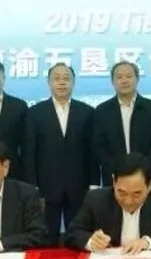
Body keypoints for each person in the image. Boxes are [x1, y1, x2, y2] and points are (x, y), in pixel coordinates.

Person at [24, 63, 99, 245]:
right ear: (49, 82)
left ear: (74, 82)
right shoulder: (35, 113)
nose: (62, 83)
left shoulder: (87, 112)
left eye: (66, 78)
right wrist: (33, 186)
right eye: (56, 78)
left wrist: (94, 183)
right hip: (46, 187)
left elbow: (93, 151)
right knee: (46, 239)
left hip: (79, 186)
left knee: (79, 238)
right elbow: (29, 152)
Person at [65, 153, 151, 253]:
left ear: (149, 185)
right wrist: (91, 241)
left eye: (136, 194)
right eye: (122, 193)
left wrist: (147, 242)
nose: (128, 201)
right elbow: (72, 233)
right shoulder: (95, 199)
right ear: (114, 182)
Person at [93, 61, 151, 188]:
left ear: (137, 79)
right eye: (119, 77)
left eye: (128, 76)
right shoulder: (102, 110)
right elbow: (99, 146)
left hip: (145, 176)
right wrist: (115, 169)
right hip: (114, 178)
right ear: (112, 81)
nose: (124, 80)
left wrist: (145, 168)